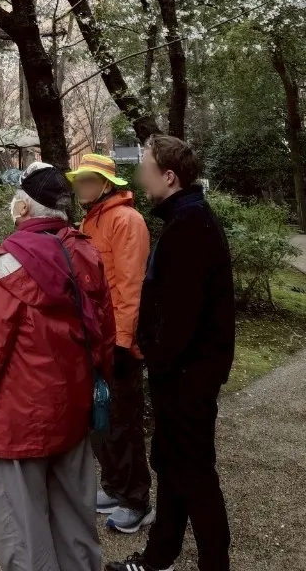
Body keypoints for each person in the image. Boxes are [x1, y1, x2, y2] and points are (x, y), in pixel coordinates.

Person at [0, 163, 115, 571]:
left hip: (16, 422)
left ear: (23, 208)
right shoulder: (85, 252)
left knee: (22, 533)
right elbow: (105, 334)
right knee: (76, 525)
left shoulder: (8, 264)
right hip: (71, 412)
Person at [107, 136, 235, 571]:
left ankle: (214, 564)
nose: (140, 174)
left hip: (187, 376)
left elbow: (180, 315)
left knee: (195, 474)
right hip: (180, 374)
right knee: (172, 464)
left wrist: (155, 357)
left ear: (169, 176)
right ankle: (159, 556)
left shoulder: (191, 227)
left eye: (146, 166)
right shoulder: (184, 219)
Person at [68, 152, 152, 535]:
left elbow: (131, 286)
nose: (83, 186)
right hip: (95, 340)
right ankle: (115, 487)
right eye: (80, 180)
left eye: (89, 180)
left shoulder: (126, 220)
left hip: (118, 343)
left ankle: (136, 500)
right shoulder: (91, 219)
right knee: (101, 421)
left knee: (122, 423)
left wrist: (123, 341)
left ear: (106, 184)